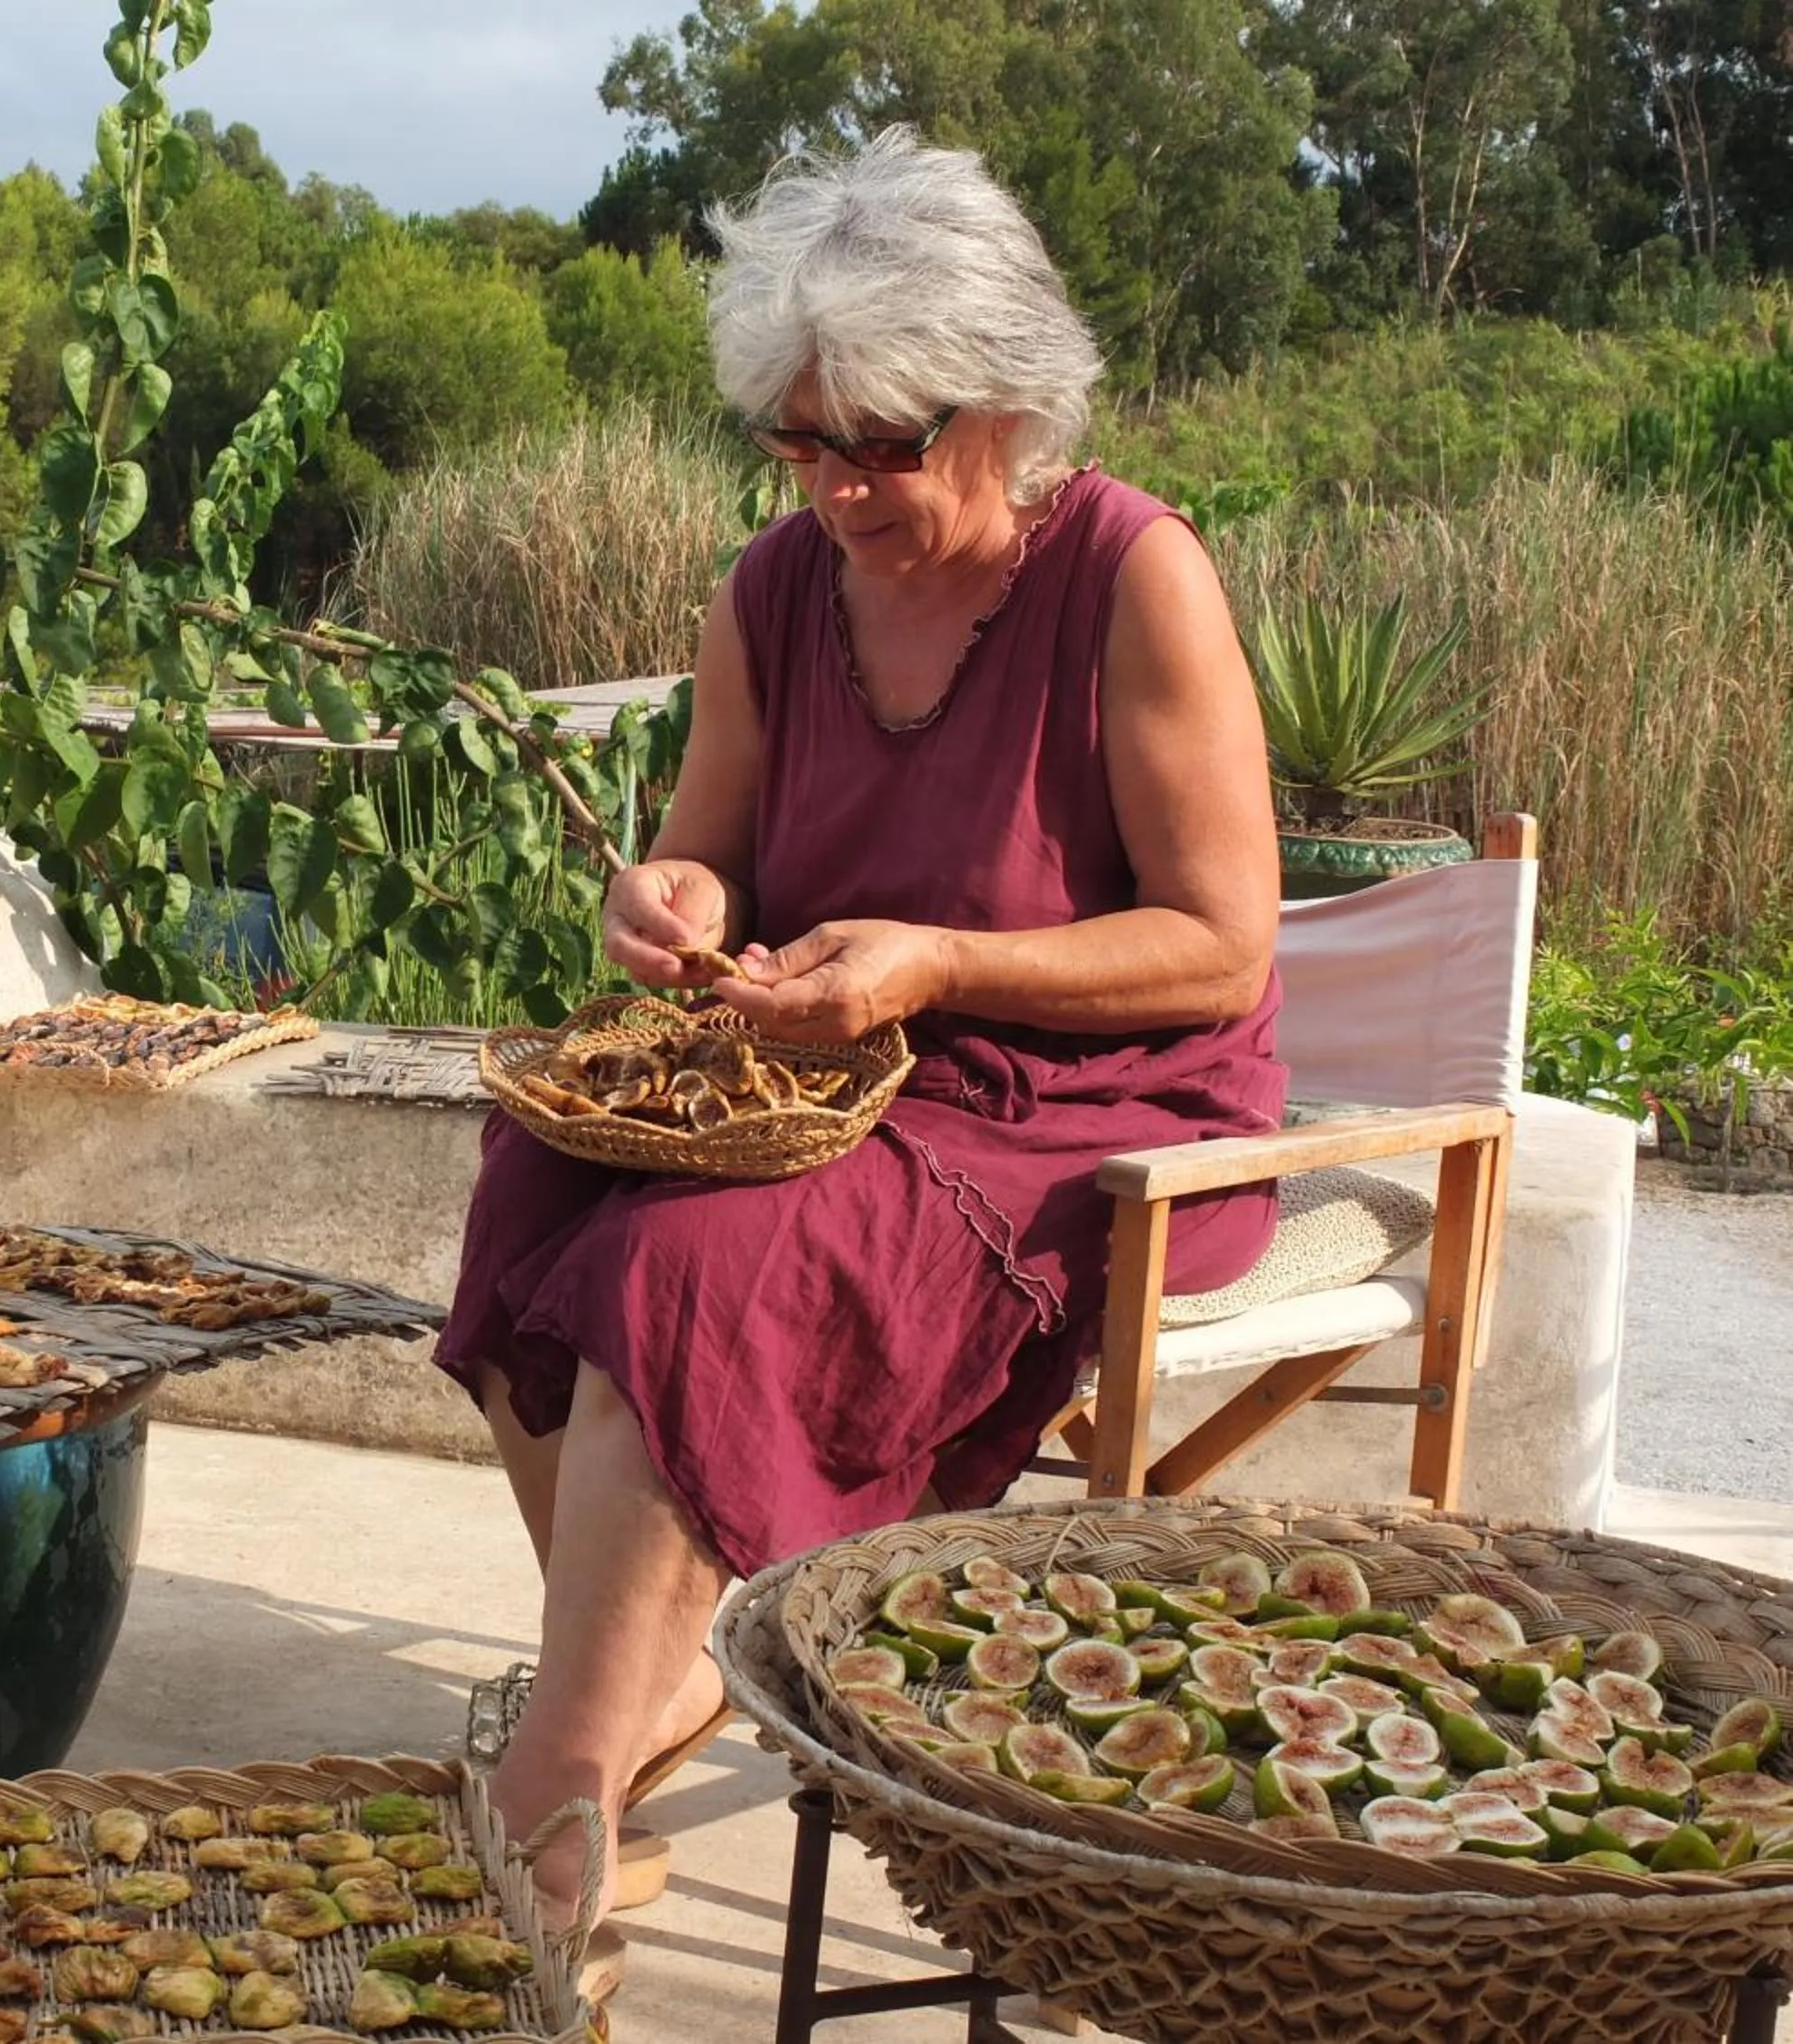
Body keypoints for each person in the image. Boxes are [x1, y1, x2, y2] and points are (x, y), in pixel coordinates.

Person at [433, 128, 1288, 1929]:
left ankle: (563, 1791)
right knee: (528, 1194)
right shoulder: (773, 592)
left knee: (688, 1270)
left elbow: (1218, 949)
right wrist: (671, 905)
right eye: (799, 439)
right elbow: (710, 853)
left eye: (881, 447)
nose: (835, 489)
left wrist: (935, 964)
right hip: (823, 1075)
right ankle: (655, 1687)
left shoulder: (1136, 579)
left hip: (1084, 1115)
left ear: (1006, 406)